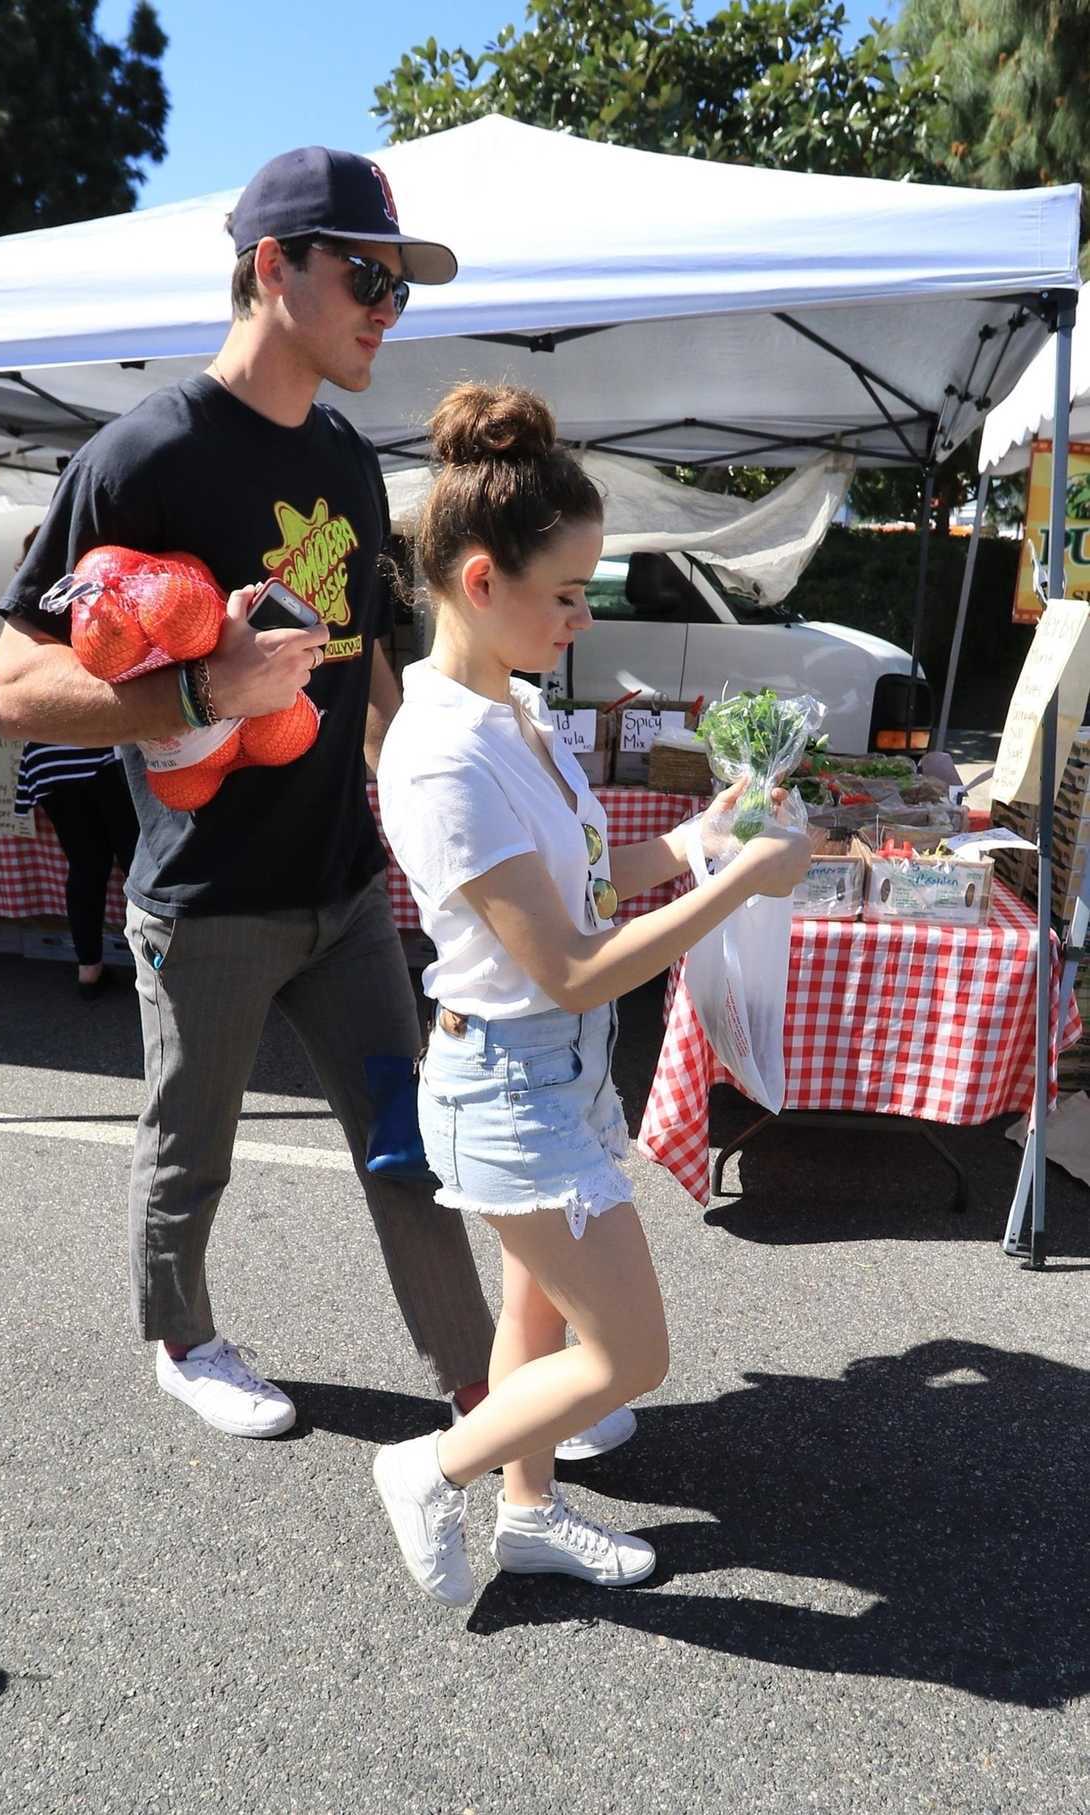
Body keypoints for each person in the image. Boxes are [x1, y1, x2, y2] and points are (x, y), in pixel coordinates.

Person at [0, 146, 506, 1440]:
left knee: (408, 1141)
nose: (390, 305)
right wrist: (203, 698)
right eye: (367, 274)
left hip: (338, 882)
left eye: (400, 282)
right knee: (190, 1144)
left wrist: (428, 790)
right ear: (273, 268)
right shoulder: (139, 454)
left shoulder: (341, 453)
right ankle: (181, 1331)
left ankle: (485, 1383)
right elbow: (10, 688)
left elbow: (364, 648)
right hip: (204, 894)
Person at [372, 382, 812, 1605]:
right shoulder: (442, 750)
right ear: (478, 581)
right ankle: (430, 1467)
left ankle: (525, 1511)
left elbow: (580, 882)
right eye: (566, 593)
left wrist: (696, 843)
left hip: (547, 1067)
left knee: (541, 1316)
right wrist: (742, 887)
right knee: (631, 1353)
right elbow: (565, 961)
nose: (580, 616)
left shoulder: (508, 709)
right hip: (511, 1072)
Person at [11, 529, 140, 1000]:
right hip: (96, 751)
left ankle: (88, 966)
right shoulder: (86, 601)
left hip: (47, 759)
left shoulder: (19, 617)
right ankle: (157, 962)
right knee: (134, 862)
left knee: (85, 867)